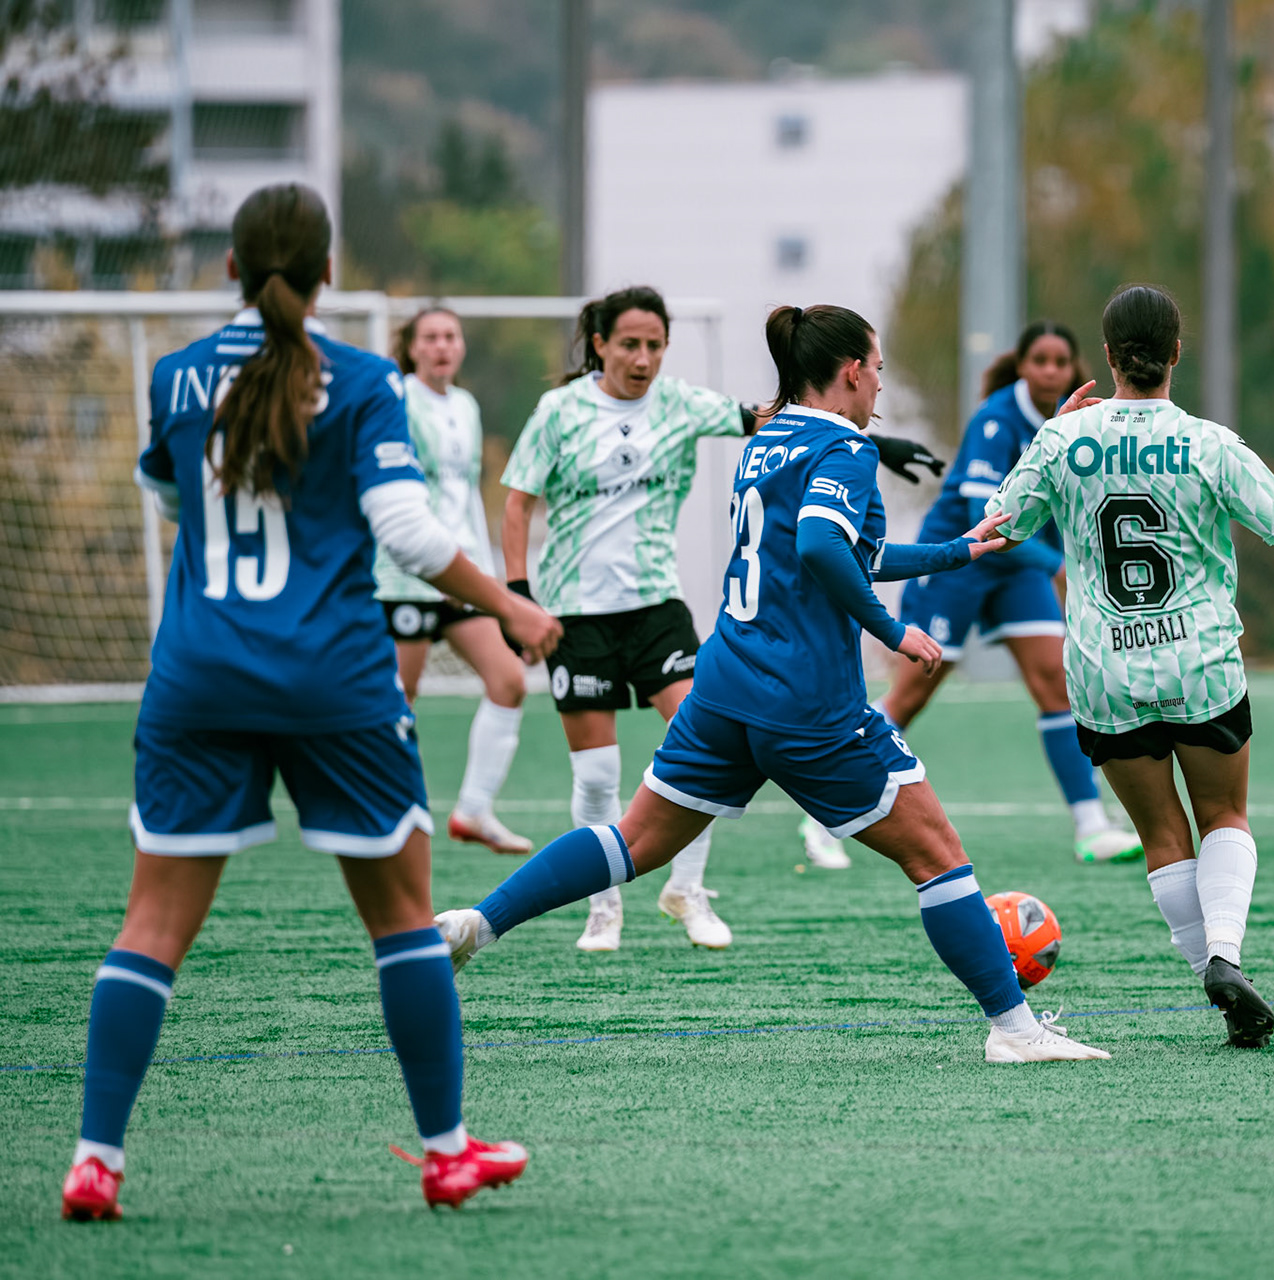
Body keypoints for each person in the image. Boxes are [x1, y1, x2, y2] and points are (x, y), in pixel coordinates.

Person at [61, 184, 563, 1222]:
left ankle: (95, 1160)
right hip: (334, 680)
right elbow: (408, 533)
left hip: (198, 675)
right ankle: (445, 1152)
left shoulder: (175, 375)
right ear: (329, 272)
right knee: (403, 923)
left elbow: (171, 496)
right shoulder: (366, 380)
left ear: (233, 268)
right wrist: (510, 603)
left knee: (150, 927)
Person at [435, 303, 1110, 1065]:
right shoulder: (846, 448)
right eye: (878, 368)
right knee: (938, 854)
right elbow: (821, 545)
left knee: (635, 840)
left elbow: (849, 550)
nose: (880, 383)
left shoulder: (771, 439)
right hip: (806, 702)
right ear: (851, 371)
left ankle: (475, 925)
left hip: (726, 685)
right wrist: (890, 630)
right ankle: (1015, 1030)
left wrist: (956, 550)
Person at [985, 284, 1274, 1049]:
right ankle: (1225, 957)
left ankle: (1214, 975)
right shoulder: (1209, 443)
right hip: (1198, 663)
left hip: (1104, 671)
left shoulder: (1064, 440)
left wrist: (1055, 434)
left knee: (1163, 836)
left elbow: (998, 528)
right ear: (1176, 352)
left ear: (1108, 355)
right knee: (1224, 816)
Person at [499, 288, 943, 952]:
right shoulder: (559, 411)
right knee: (596, 776)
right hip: (577, 607)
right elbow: (518, 502)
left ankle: (685, 890)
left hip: (659, 606)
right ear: (598, 344)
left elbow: (780, 420)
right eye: (629, 344)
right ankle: (603, 911)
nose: (643, 358)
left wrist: (875, 440)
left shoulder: (683, 404)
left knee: (693, 747)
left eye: (655, 345)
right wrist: (516, 594)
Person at [800, 322, 1143, 869]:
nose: (1051, 371)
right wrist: (1057, 565)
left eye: (1060, 362)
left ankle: (1091, 825)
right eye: (1040, 360)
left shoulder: (1075, 423)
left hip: (1015, 569)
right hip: (960, 562)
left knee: (1057, 685)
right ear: (1022, 366)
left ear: (1074, 368)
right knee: (911, 695)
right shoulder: (995, 419)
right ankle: (822, 814)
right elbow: (988, 516)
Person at [373, 305, 533, 855]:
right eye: (431, 337)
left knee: (509, 680)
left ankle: (473, 811)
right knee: (399, 699)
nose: (442, 346)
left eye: (450, 336)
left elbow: (464, 495)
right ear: (412, 348)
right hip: (408, 575)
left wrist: (485, 570)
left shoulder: (465, 405)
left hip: (463, 575)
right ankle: (383, 811)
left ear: (461, 347)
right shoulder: (396, 399)